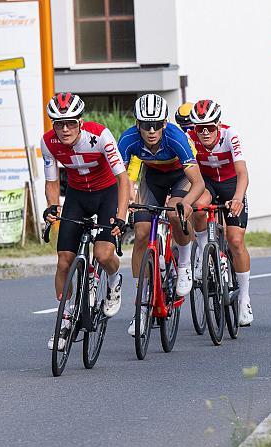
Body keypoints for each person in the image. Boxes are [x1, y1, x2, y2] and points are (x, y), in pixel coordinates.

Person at [41, 92, 130, 350]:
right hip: (78, 196)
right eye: (59, 124)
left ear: (81, 121)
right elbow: (51, 180)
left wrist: (122, 217)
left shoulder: (100, 136)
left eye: (70, 123)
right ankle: (66, 317)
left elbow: (123, 179)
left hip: (106, 193)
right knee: (64, 260)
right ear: (53, 125)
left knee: (103, 254)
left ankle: (113, 281)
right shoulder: (48, 143)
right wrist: (52, 205)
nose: (65, 129)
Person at [118, 94, 205, 335]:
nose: (152, 130)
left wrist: (186, 204)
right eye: (146, 125)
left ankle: (185, 263)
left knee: (177, 214)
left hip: (180, 178)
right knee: (142, 231)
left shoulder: (175, 137)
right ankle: (141, 306)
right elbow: (121, 178)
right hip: (153, 179)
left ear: (165, 123)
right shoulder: (127, 139)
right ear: (138, 125)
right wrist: (123, 209)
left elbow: (197, 183)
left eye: (157, 124)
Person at [187, 100, 253, 327]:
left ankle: (244, 298)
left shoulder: (230, 135)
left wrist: (237, 198)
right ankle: (205, 252)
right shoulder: (191, 138)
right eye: (199, 128)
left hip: (231, 185)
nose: (204, 132)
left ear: (218, 125)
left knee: (235, 240)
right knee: (197, 208)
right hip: (208, 184)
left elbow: (242, 172)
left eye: (209, 127)